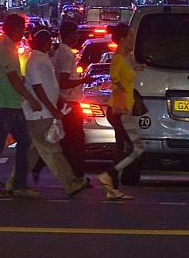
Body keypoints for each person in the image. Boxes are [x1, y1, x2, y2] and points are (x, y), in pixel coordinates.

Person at [21, 29, 87, 197]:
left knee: (34, 153)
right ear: (45, 43)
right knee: (52, 150)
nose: (52, 45)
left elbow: (49, 85)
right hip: (39, 113)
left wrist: (60, 101)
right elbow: (38, 87)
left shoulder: (42, 59)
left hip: (43, 112)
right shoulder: (36, 61)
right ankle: (71, 183)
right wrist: (53, 109)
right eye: (50, 42)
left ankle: (15, 182)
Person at [0, 13, 37, 199]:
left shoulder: (10, 48)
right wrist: (30, 98)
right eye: (22, 29)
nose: (23, 33)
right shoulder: (5, 49)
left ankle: (17, 184)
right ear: (14, 28)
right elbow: (13, 79)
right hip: (2, 106)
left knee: (23, 142)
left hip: (11, 104)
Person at [97, 23, 144, 202]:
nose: (133, 40)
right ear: (123, 40)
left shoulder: (125, 57)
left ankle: (112, 189)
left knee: (120, 148)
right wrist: (121, 106)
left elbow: (126, 74)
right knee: (136, 147)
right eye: (131, 37)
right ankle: (109, 174)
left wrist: (136, 68)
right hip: (120, 109)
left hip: (123, 108)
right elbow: (115, 82)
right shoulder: (117, 58)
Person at [53, 20, 87, 177]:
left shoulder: (61, 51)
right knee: (76, 139)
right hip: (70, 102)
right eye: (76, 33)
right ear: (70, 35)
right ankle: (76, 173)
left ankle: (71, 172)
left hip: (66, 101)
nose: (78, 36)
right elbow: (64, 82)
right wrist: (83, 80)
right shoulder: (66, 53)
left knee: (68, 139)